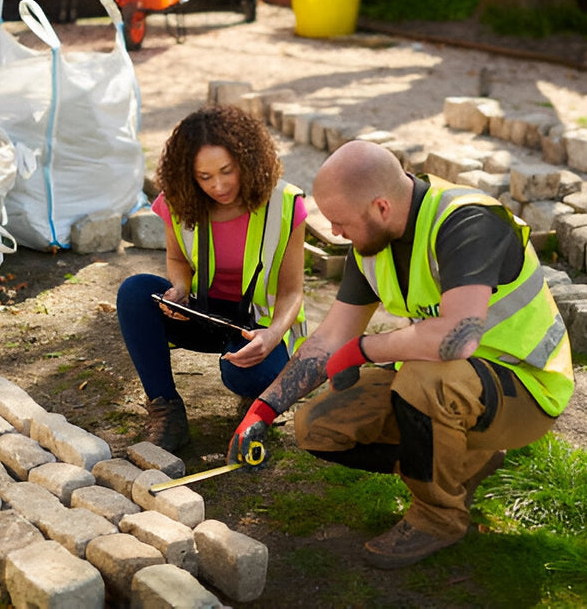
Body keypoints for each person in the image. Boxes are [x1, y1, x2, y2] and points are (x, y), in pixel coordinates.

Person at [228, 139, 574, 569]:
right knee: (319, 426)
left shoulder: (469, 221)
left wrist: (364, 349)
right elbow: (329, 338)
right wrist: (263, 410)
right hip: (459, 385)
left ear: (381, 207)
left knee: (423, 379)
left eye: (340, 222)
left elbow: (457, 339)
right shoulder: (372, 243)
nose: (335, 233)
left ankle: (438, 517)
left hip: (526, 386)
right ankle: (463, 460)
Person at [117, 105, 307, 452]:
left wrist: (273, 334)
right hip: (203, 313)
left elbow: (293, 290)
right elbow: (176, 258)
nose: (218, 185)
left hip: (259, 324)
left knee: (243, 376)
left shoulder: (286, 203)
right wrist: (180, 289)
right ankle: (166, 410)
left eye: (226, 171)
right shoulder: (178, 200)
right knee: (135, 292)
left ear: (246, 161)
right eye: (204, 177)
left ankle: (261, 398)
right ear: (189, 175)